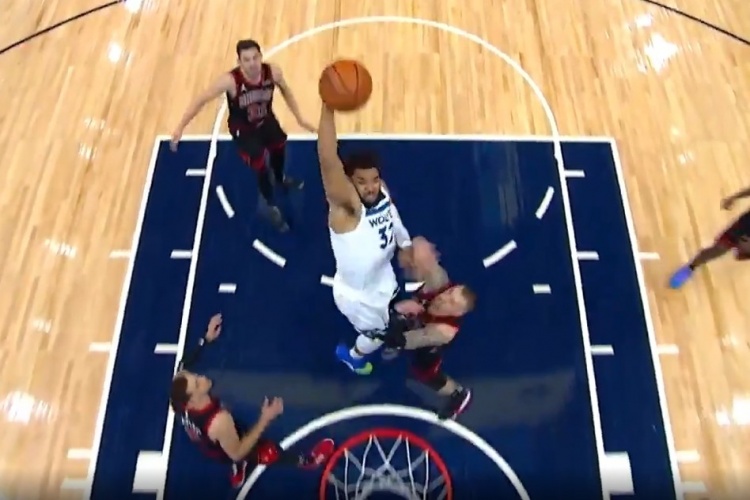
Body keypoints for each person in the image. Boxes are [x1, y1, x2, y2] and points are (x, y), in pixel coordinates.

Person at [170, 313, 334, 489]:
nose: (202, 377)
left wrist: (206, 338)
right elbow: (237, 452)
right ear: (192, 401)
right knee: (267, 452)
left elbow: (183, 364)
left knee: (235, 432)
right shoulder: (219, 421)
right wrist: (265, 418)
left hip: (209, 442)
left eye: (196, 376)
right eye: (197, 383)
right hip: (224, 445)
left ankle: (238, 467)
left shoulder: (179, 400)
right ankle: (308, 461)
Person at [170, 39, 316, 231]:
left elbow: (286, 91)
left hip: (265, 120)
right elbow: (201, 100)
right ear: (239, 62)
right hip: (244, 131)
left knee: (280, 146)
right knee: (261, 164)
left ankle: (280, 178)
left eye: (255, 57)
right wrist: (180, 127)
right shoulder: (230, 81)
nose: (252, 63)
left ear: (261, 56)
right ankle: (269, 205)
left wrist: (300, 118)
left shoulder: (273, 72)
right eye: (246, 60)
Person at [316, 101, 415, 375]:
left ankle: (385, 329)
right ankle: (353, 356)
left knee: (396, 319)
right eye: (361, 182)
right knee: (380, 335)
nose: (371, 187)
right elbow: (328, 159)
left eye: (374, 179)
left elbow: (393, 216)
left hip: (383, 278)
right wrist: (328, 107)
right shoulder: (346, 210)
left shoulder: (381, 191)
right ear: (349, 182)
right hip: (359, 297)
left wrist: (405, 242)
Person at [382, 237, 476, 420]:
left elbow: (413, 339)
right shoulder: (440, 282)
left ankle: (458, 394)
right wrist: (414, 255)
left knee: (425, 372)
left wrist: (395, 330)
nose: (444, 298)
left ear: (457, 313)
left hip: (428, 341)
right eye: (450, 293)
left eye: (451, 302)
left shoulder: (443, 331)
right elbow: (422, 251)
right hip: (419, 317)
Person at [669, 185, 750, 288]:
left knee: (741, 254)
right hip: (744, 227)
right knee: (718, 249)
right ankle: (690, 267)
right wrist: (734, 197)